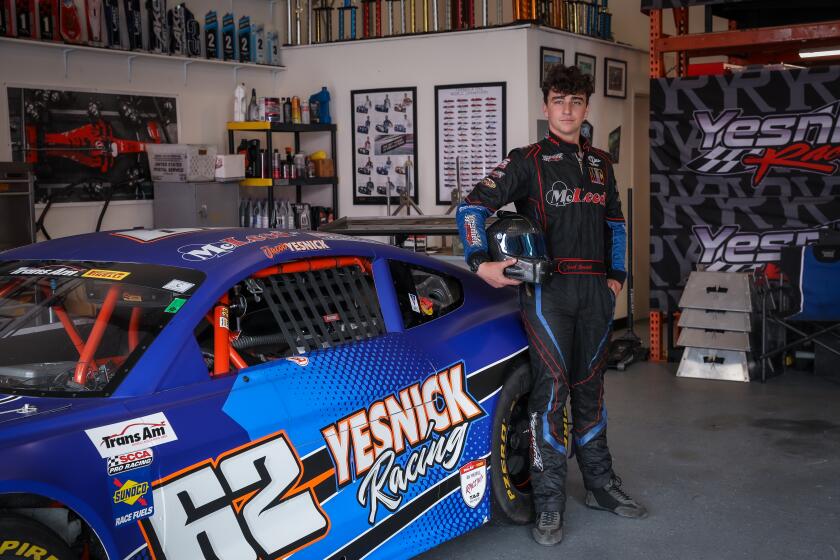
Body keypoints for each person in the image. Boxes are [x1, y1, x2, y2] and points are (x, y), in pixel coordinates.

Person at [456, 64, 647, 546]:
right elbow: (471, 207)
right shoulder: (527, 160)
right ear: (546, 108)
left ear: (586, 108)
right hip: (548, 294)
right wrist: (481, 261)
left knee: (592, 392)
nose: (567, 109)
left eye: (576, 101)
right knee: (550, 397)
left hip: (596, 294)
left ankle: (601, 486)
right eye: (559, 100)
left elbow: (617, 226)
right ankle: (548, 505)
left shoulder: (602, 163)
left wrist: (617, 279)